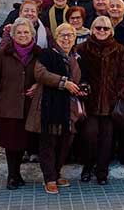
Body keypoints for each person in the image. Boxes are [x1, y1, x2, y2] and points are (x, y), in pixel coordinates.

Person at [31, 23, 85, 194]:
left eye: (70, 35)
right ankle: (49, 178)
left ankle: (57, 172)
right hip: (49, 105)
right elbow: (40, 74)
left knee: (65, 141)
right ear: (56, 37)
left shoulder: (75, 57)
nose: (66, 38)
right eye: (62, 35)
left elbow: (76, 79)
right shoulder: (47, 54)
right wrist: (63, 82)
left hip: (68, 107)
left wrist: (80, 87)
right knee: (49, 142)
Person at [76, 16, 124, 185]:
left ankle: (102, 172)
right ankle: (88, 166)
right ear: (92, 29)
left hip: (110, 102)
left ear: (111, 31)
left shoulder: (119, 50)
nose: (101, 31)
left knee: (107, 139)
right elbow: (78, 73)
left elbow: (123, 75)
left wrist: (119, 93)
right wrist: (83, 87)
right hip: (90, 101)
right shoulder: (82, 49)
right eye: (98, 28)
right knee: (90, 135)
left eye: (105, 29)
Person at [0, 18, 41, 190]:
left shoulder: (39, 53)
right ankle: (13, 175)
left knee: (23, 140)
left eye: (26, 32)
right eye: (19, 32)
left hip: (29, 103)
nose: (22, 35)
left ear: (32, 34)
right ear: (12, 35)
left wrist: (38, 85)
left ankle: (18, 173)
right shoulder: (3, 53)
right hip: (9, 102)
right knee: (10, 141)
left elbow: (44, 75)